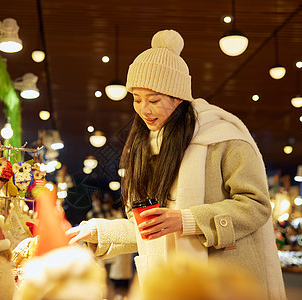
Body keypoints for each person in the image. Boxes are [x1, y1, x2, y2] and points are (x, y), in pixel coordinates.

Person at [66, 29, 286, 300]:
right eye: (137, 99)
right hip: (168, 285)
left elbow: (257, 205)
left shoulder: (223, 138)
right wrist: (97, 231)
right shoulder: (145, 147)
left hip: (225, 285)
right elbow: (150, 228)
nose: (144, 110)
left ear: (178, 97)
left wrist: (187, 220)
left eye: (154, 100)